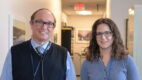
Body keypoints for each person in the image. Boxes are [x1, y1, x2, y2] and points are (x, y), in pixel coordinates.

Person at [1, 8, 76, 80]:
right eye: (39, 22)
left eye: (49, 23)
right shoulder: (14, 52)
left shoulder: (64, 54)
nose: (44, 27)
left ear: (53, 27)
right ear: (31, 24)